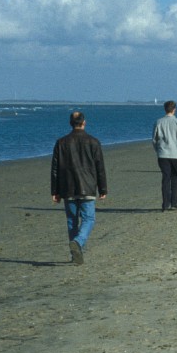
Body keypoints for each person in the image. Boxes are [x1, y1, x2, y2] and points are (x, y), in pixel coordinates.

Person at [51, 110, 107, 266]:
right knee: (88, 219)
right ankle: (78, 243)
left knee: (72, 221)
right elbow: (100, 168)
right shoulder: (93, 142)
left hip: (68, 186)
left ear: (71, 123)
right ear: (84, 123)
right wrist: (103, 189)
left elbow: (55, 169)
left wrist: (55, 191)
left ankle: (75, 251)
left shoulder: (61, 142)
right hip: (87, 186)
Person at [153, 100, 177, 211]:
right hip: (175, 154)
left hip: (163, 154)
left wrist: (158, 150)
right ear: (174, 110)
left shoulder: (159, 122)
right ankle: (173, 203)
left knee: (166, 178)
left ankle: (166, 204)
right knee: (175, 177)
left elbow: (154, 139)